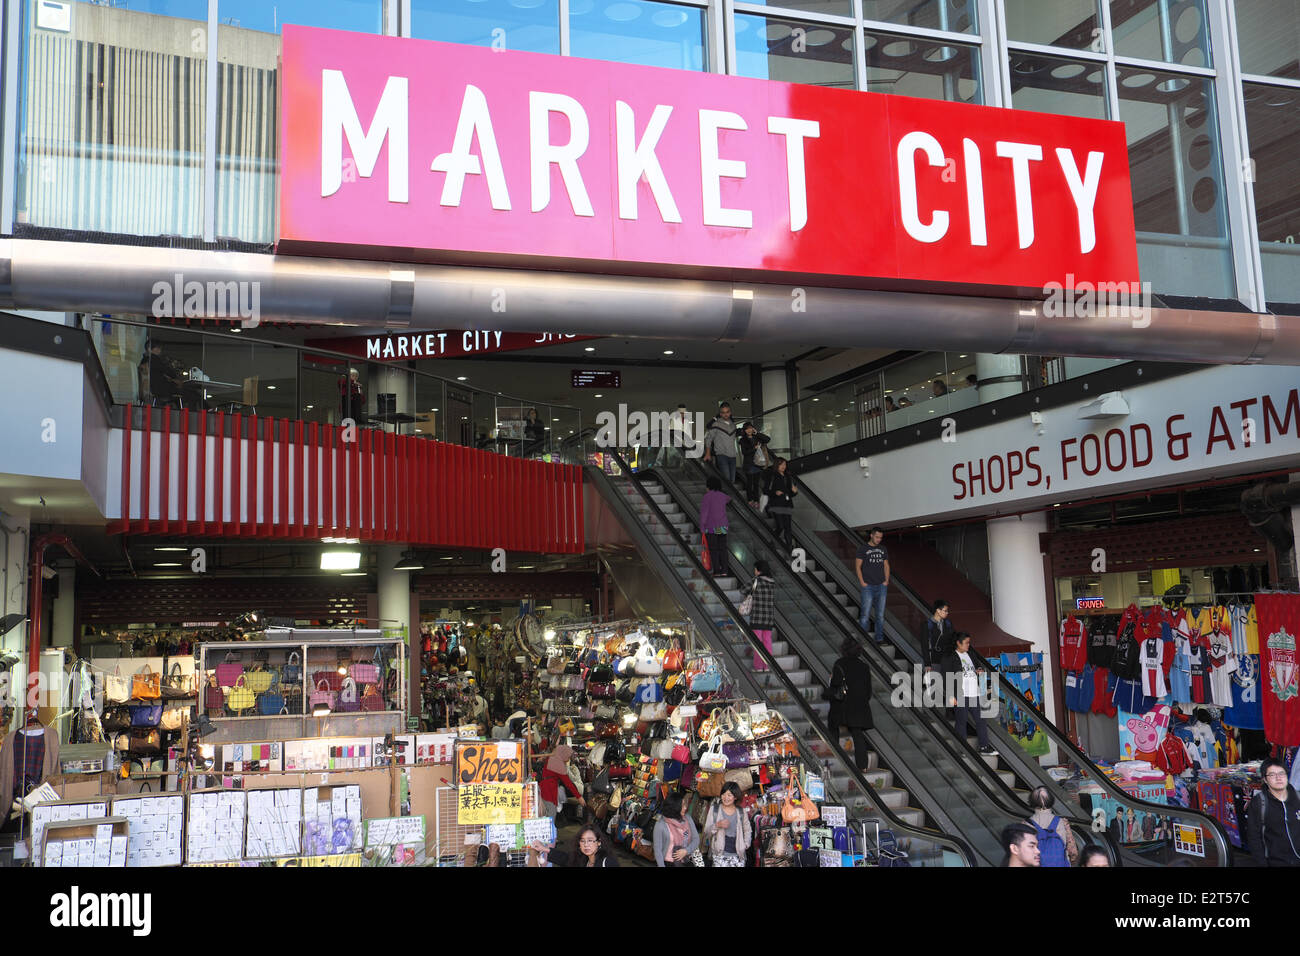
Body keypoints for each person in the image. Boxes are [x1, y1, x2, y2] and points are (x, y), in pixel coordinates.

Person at [941, 633, 996, 755]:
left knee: (981, 720)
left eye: (969, 642)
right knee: (962, 721)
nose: (968, 645)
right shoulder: (950, 657)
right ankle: (961, 749)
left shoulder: (970, 653)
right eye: (966, 643)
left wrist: (979, 670)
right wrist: (951, 695)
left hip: (974, 693)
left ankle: (984, 747)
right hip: (960, 694)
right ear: (958, 643)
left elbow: (978, 666)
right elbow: (946, 677)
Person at [827, 636, 874, 771]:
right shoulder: (864, 667)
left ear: (844, 649)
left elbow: (835, 686)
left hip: (843, 705)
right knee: (858, 735)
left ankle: (835, 755)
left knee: (833, 724)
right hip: (859, 706)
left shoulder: (840, 663)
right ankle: (863, 766)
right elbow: (868, 691)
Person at [1247, 758, 1300, 867]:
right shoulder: (1259, 803)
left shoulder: (1298, 798)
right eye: (1272, 775)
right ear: (1265, 780)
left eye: (1281, 773)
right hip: (1275, 862)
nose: (1278, 778)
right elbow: (1254, 837)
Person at [1026, 786, 1078, 867]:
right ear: (1051, 801)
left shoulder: (1026, 825)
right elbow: (1073, 852)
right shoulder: (1063, 822)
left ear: (1031, 802)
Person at [702, 782, 752, 867]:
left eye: (729, 795)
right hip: (719, 855)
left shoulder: (741, 812)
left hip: (738, 855)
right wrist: (717, 825)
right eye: (723, 794)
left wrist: (746, 844)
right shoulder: (714, 810)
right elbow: (706, 832)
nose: (725, 798)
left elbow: (747, 829)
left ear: (735, 797)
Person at [740, 560, 776, 671]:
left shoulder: (756, 581)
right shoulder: (772, 583)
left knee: (757, 644)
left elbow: (743, 589)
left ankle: (758, 666)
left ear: (759, 570)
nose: (754, 571)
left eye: (755, 569)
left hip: (757, 617)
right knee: (767, 642)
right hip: (768, 618)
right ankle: (768, 666)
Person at [855, 527, 889, 642]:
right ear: (871, 535)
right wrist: (862, 583)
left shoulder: (883, 549)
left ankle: (879, 639)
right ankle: (862, 640)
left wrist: (886, 581)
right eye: (877, 537)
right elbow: (858, 567)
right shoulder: (863, 549)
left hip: (881, 586)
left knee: (880, 615)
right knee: (865, 614)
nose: (879, 539)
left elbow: (886, 566)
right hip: (868, 586)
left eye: (881, 538)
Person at [537, 744, 586, 824]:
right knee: (551, 815)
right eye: (568, 756)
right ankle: (551, 835)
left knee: (547, 814)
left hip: (545, 788)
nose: (568, 759)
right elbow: (568, 783)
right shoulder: (558, 764)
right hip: (549, 790)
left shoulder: (552, 759)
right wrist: (579, 797)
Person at [653, 792, 700, 867]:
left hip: (686, 861)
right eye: (682, 805)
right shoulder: (661, 824)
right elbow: (657, 850)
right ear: (674, 807)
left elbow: (696, 839)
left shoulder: (688, 818)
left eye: (685, 804)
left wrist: (686, 851)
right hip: (668, 863)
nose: (685, 807)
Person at [699, 475, 732, 578]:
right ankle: (725, 570)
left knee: (713, 549)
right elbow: (729, 498)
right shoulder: (722, 495)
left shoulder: (707, 496)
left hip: (711, 528)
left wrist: (702, 527)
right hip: (722, 527)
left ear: (708, 486)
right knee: (722, 548)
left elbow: (704, 513)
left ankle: (717, 571)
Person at [764, 457, 797, 551]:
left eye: (785, 464)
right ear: (777, 465)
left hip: (787, 504)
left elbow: (790, 493)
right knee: (780, 526)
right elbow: (765, 490)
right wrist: (775, 492)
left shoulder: (787, 476)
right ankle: (772, 541)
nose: (784, 466)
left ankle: (789, 547)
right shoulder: (772, 476)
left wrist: (794, 492)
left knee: (788, 527)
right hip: (776, 504)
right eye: (781, 464)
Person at [737, 421, 772, 507]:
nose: (749, 430)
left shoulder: (757, 437)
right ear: (744, 430)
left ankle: (756, 501)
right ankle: (750, 499)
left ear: (753, 429)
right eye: (747, 429)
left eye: (750, 428)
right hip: (749, 464)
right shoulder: (743, 440)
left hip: (758, 464)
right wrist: (754, 448)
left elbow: (767, 439)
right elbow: (744, 452)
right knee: (750, 483)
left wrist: (757, 433)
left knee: (756, 484)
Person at [703, 402, 738, 483]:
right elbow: (709, 439)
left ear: (730, 412)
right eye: (723, 412)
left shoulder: (733, 425)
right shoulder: (716, 424)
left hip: (733, 456)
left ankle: (728, 496)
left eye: (727, 412)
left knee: (732, 480)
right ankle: (724, 495)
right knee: (727, 479)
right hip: (721, 455)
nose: (725, 414)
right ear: (720, 414)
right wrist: (708, 453)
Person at [924, 599, 954, 670]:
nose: (947, 613)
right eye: (945, 611)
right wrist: (927, 664)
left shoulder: (948, 624)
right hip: (933, 661)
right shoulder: (927, 624)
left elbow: (952, 641)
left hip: (947, 661)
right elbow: (924, 645)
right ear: (938, 610)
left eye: (947, 611)